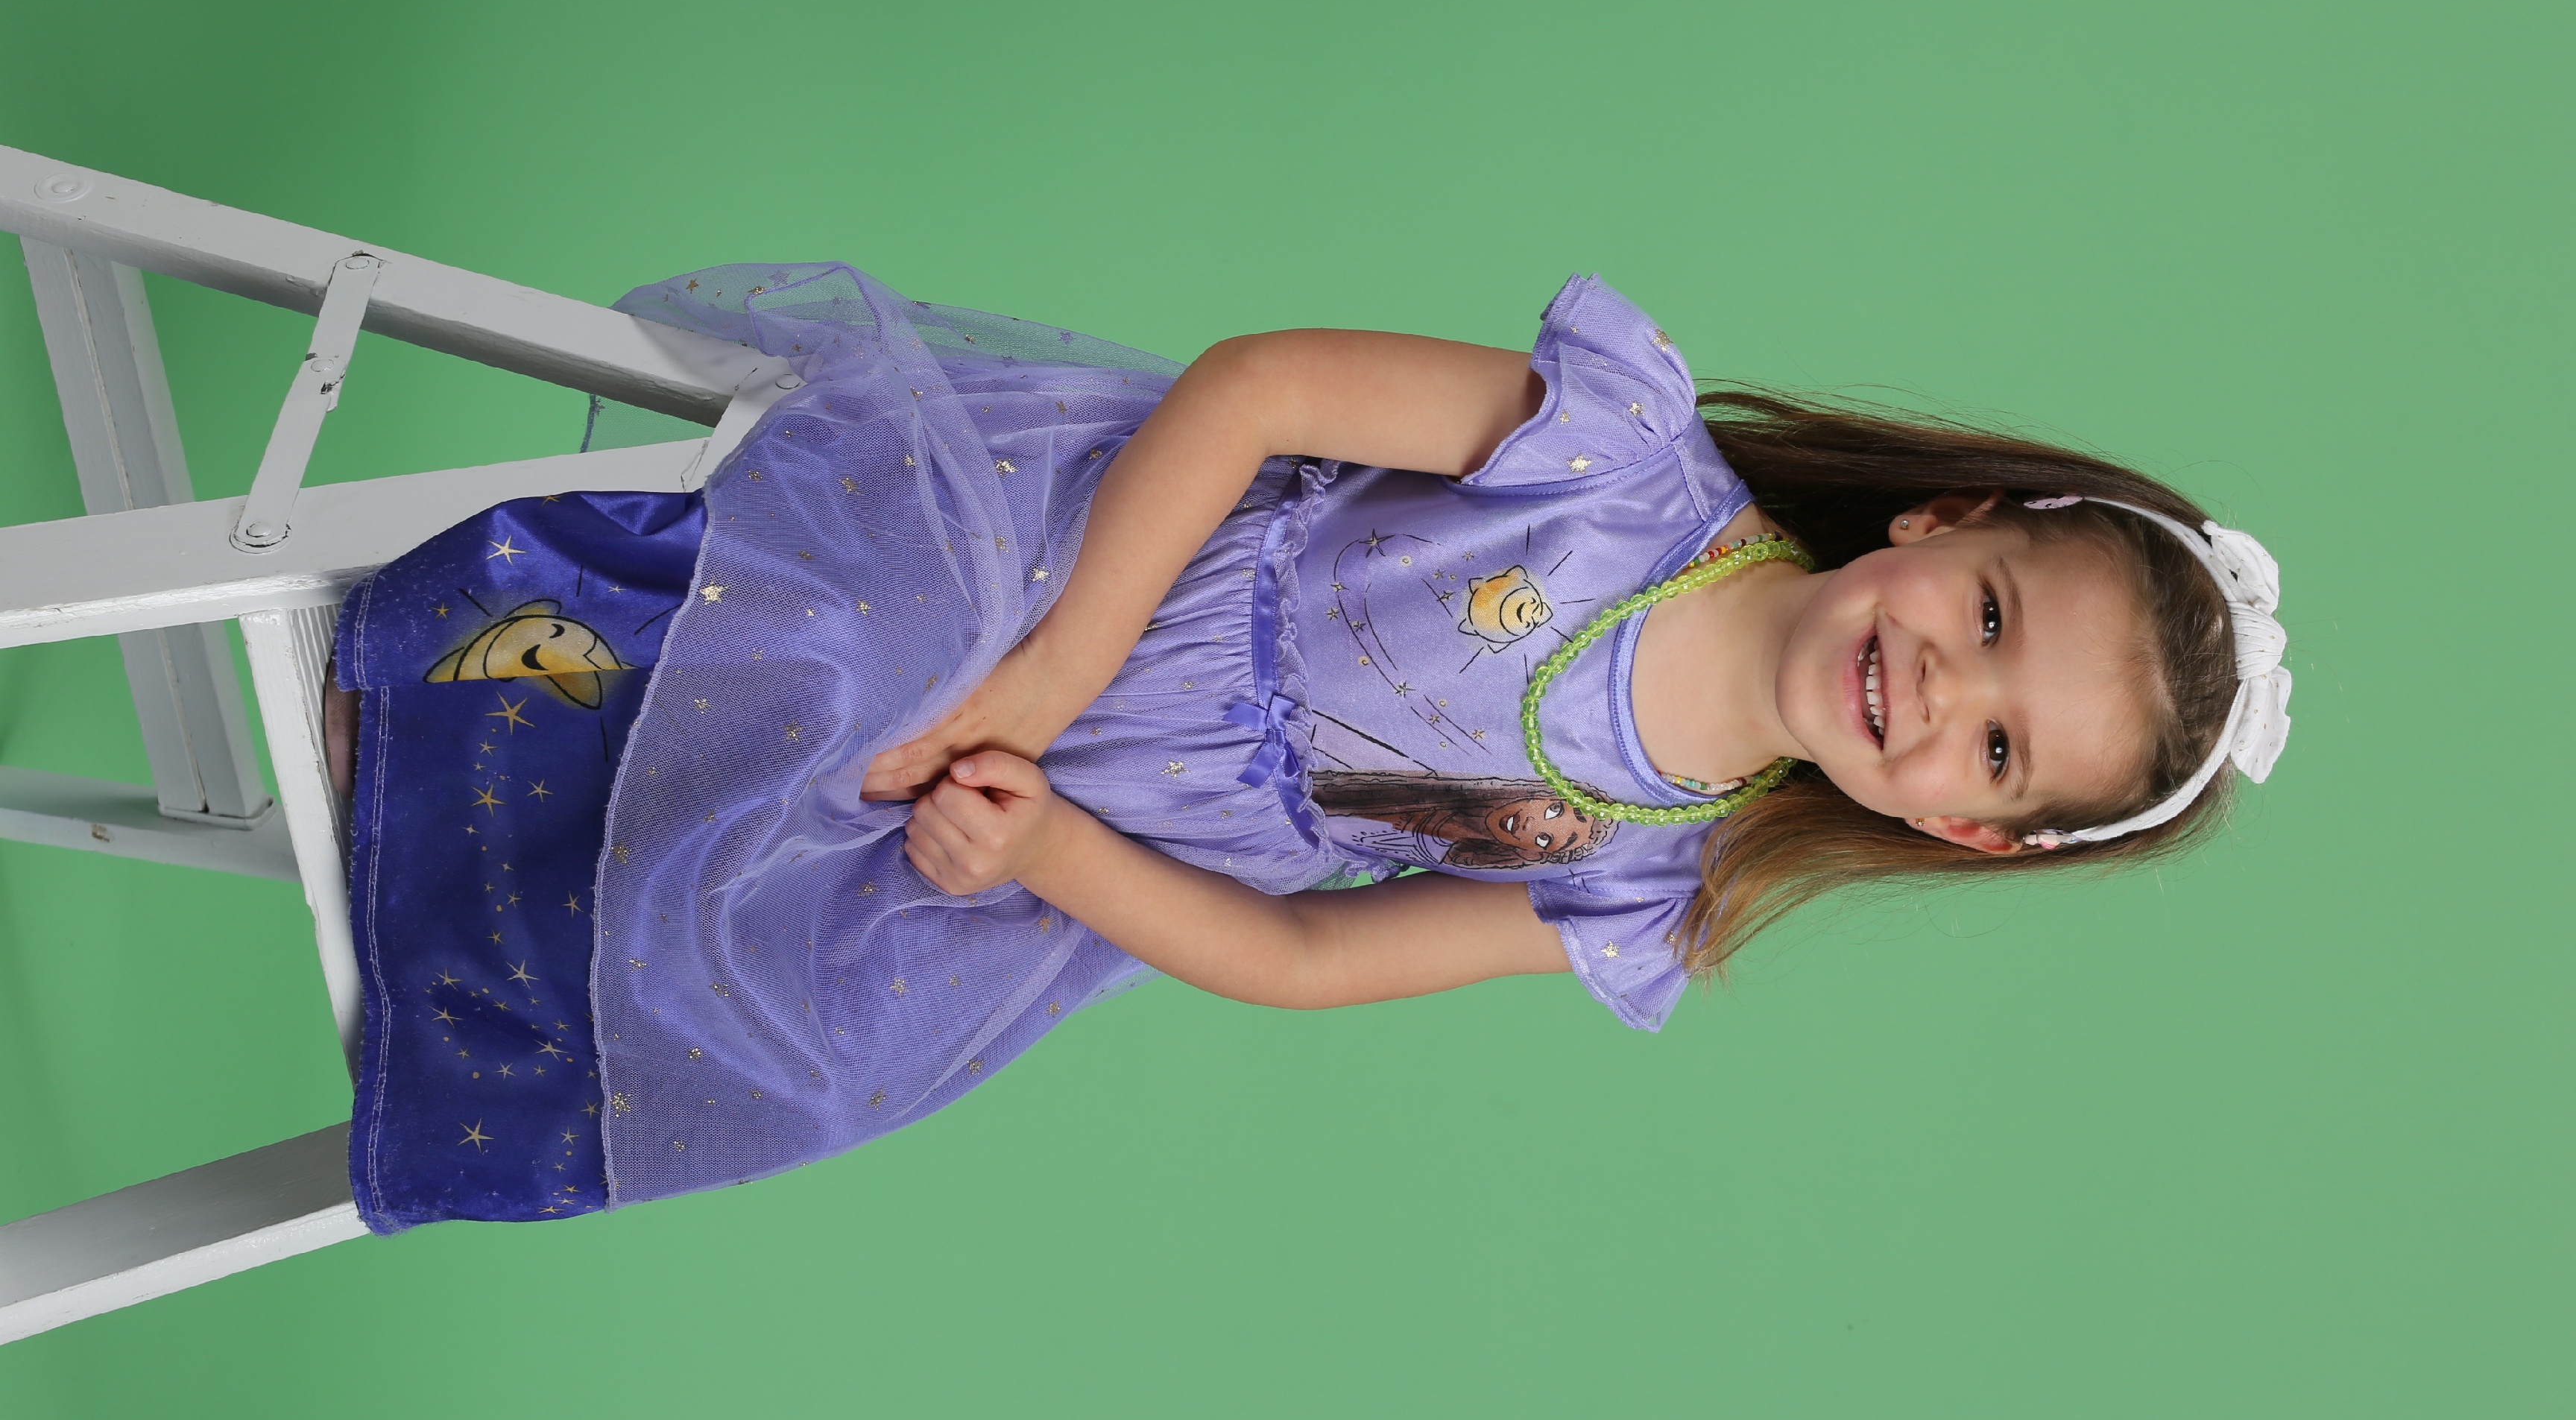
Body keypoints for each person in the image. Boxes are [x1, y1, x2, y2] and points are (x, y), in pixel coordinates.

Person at [333, 264, 2289, 1230]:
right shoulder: (1620, 463)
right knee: (859, 661)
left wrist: (1047, 849)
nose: (1939, 691)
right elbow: (1261, 389)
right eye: (1991, 619)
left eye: (1999, 751)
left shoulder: (1646, 881)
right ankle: (408, 698)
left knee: (830, 1031)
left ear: (1970, 831)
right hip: (1068, 566)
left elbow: (1302, 956)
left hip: (1091, 833)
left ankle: (430, 929)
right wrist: (1058, 667)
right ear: (1950, 523)